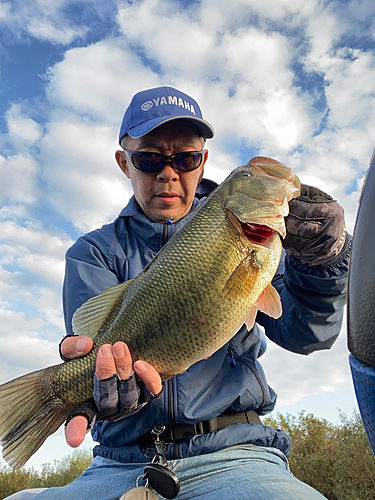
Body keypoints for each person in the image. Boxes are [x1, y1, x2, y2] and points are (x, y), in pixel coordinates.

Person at [8, 86, 351, 500]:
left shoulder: (257, 244)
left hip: (237, 456)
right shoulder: (92, 253)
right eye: (149, 159)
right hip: (120, 461)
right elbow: (95, 350)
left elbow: (307, 333)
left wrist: (322, 264)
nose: (168, 173)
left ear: (202, 160)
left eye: (185, 159)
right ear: (124, 163)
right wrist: (94, 392)